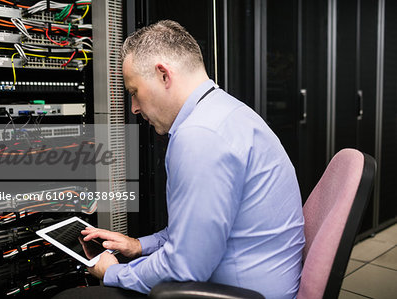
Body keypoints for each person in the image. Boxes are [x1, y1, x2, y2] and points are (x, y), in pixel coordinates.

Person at [55, 20, 305, 299]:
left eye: (134, 92)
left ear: (163, 75)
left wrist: (111, 272)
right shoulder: (225, 111)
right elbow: (192, 234)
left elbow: (184, 269)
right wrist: (138, 246)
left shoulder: (200, 136)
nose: (134, 108)